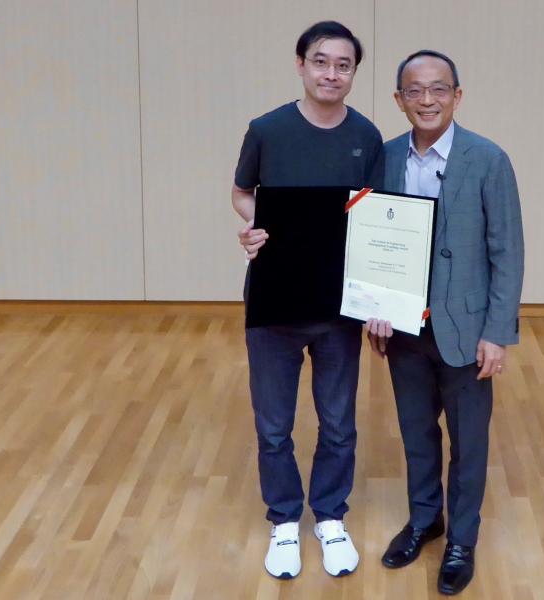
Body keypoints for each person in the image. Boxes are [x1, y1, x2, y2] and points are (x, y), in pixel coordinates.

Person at [367, 49, 524, 595]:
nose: (427, 100)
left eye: (438, 89)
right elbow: (372, 243)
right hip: (405, 328)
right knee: (415, 433)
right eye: (415, 90)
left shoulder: (488, 159)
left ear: (457, 96)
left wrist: (497, 333)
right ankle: (424, 519)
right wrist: (375, 307)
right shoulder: (384, 157)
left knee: (469, 442)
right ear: (399, 99)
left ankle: (462, 539)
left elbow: (507, 251)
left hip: (467, 329)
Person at [231, 20, 384, 580]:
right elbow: (242, 192)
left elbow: (375, 219)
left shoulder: (366, 136)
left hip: (337, 305)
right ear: (301, 64)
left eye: (343, 65)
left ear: (352, 74)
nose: (331, 73)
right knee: (273, 424)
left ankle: (331, 517)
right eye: (321, 61)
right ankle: (284, 520)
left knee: (338, 421)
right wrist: (251, 229)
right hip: (273, 300)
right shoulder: (266, 130)